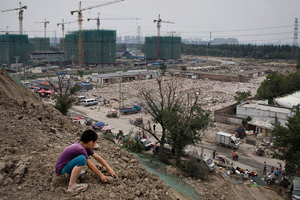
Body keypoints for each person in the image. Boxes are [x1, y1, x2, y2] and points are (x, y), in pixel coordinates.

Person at [55, 130, 117, 194]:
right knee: (82, 159)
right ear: (90, 142)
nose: (95, 145)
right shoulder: (80, 149)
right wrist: (101, 175)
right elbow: (90, 165)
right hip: (61, 169)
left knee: (81, 159)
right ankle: (72, 185)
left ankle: (72, 175)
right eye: (95, 143)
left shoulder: (84, 146)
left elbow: (98, 157)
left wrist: (108, 168)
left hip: (65, 166)